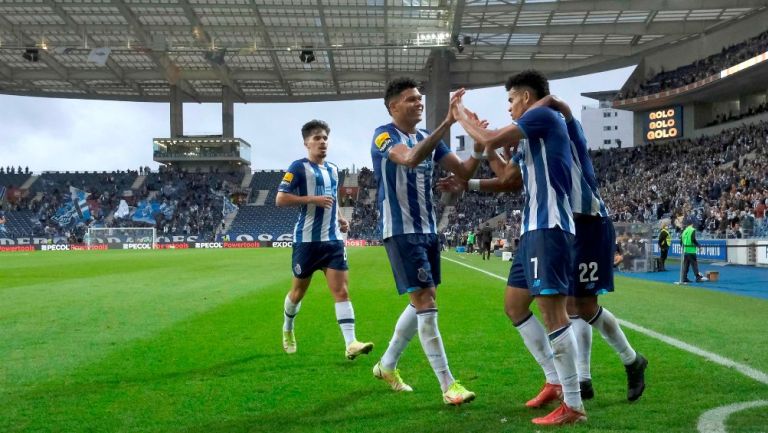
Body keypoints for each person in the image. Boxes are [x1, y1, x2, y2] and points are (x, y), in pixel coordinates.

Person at [451, 70, 586, 425]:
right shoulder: (532, 133)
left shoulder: (543, 115)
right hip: (531, 231)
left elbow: (492, 136)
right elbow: (510, 178)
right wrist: (474, 175)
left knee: (553, 313)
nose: (509, 107)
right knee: (514, 306)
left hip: (549, 227)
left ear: (525, 97)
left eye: (510, 100)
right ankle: (554, 383)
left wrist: (460, 114)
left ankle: (573, 405)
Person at [370, 77, 479, 406]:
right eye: (411, 99)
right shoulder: (383, 135)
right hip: (400, 230)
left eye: (420, 98)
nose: (418, 103)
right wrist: (447, 121)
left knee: (421, 300)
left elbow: (463, 173)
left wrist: (479, 142)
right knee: (427, 303)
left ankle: (387, 366)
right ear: (393, 107)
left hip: (428, 229)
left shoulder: (426, 138)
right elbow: (409, 159)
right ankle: (448, 385)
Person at [276, 119, 374, 360]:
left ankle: (351, 343)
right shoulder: (298, 168)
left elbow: (332, 198)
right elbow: (281, 199)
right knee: (297, 293)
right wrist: (312, 199)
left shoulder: (332, 169)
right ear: (306, 143)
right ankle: (288, 327)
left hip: (333, 241)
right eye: (317, 138)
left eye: (325, 138)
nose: (322, 142)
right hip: (307, 242)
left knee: (341, 291)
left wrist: (340, 218)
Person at [680, 218, 706, 283]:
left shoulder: (684, 231)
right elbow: (693, 239)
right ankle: (697, 277)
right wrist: (699, 246)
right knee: (694, 265)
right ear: (692, 224)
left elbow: (681, 241)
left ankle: (684, 278)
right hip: (691, 250)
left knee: (686, 265)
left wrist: (684, 247)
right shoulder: (692, 230)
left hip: (686, 250)